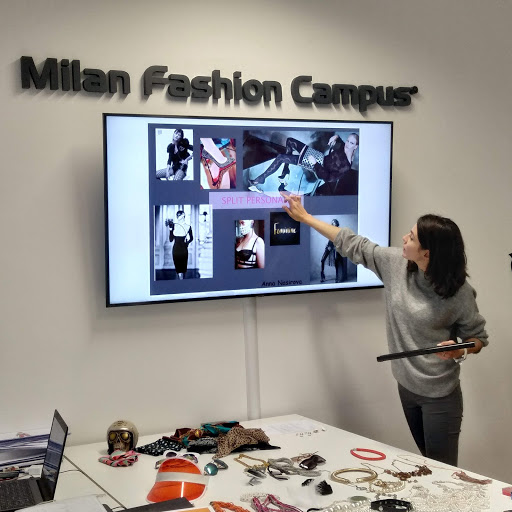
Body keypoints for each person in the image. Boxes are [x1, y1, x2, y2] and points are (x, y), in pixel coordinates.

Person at [281, 193, 488, 466]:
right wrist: (306, 218)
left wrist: (459, 349)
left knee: (443, 469)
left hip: (439, 395)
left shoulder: (459, 292)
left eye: (411, 238)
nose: (404, 238)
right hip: (407, 387)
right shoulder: (396, 265)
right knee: (429, 464)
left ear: (427, 253)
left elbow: (478, 339)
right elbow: (352, 243)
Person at [248, 133, 359, 195]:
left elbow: (328, 178)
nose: (347, 144)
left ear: (356, 146)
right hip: (319, 157)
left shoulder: (346, 166)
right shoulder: (345, 147)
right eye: (348, 141)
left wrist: (315, 163)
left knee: (281, 158)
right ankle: (286, 169)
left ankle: (261, 178)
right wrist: (336, 137)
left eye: (351, 143)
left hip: (319, 168)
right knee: (290, 141)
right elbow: (341, 142)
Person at [167, 211, 193, 279]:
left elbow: (191, 238)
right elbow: (171, 239)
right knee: (178, 269)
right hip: (176, 249)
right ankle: (180, 281)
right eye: (177, 215)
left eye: (179, 215)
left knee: (183, 268)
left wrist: (187, 243)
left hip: (184, 249)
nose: (178, 216)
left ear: (183, 215)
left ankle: (182, 282)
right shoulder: (174, 226)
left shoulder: (188, 226)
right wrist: (170, 230)